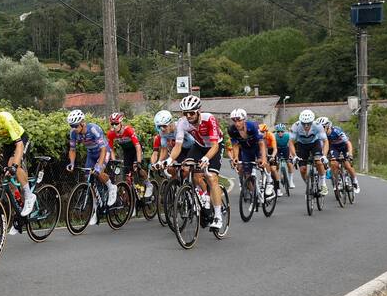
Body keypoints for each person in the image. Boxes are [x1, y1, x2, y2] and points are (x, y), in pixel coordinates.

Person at [165, 95, 226, 230]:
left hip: (215, 146)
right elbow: (178, 146)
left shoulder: (209, 119)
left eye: (191, 112)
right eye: (185, 113)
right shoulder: (182, 123)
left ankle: (218, 216)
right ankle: (204, 197)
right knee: (190, 171)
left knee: (211, 177)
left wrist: (206, 158)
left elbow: (215, 146)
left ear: (198, 111)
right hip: (198, 146)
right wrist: (169, 160)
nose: (188, 116)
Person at [65, 109, 115, 226]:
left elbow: (103, 149)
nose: (73, 128)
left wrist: (98, 166)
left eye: (75, 126)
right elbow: (72, 150)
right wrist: (71, 163)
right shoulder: (73, 133)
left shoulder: (93, 129)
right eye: (71, 126)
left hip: (103, 151)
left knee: (98, 172)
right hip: (91, 155)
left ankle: (111, 187)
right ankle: (96, 206)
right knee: (88, 178)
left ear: (82, 123)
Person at [227, 108, 278, 198]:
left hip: (257, 147)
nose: (237, 123)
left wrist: (263, 158)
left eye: (239, 120)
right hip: (246, 150)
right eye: (234, 121)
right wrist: (235, 157)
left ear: (244, 119)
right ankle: (254, 194)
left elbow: (261, 143)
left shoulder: (252, 126)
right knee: (247, 174)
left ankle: (269, 181)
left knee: (262, 162)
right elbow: (235, 145)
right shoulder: (232, 130)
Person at [107, 111, 150, 199]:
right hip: (127, 152)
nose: (114, 126)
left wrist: (138, 162)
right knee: (127, 175)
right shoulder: (111, 133)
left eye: (116, 124)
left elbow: (137, 146)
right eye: (112, 124)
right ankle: (132, 198)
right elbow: (111, 149)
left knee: (137, 169)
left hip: (136, 149)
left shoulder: (128, 130)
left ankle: (148, 184)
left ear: (121, 123)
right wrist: (114, 161)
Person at [287, 109, 330, 195]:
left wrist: (324, 156)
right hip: (302, 145)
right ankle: (309, 184)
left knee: (318, 162)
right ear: (300, 121)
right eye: (304, 123)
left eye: (309, 123)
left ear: (312, 121)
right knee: (302, 169)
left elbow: (325, 141)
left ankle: (323, 185)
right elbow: (291, 142)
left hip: (315, 143)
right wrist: (294, 156)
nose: (306, 126)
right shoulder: (295, 126)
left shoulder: (317, 126)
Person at [318, 116, 360, 194]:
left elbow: (348, 143)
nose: (321, 130)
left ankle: (355, 181)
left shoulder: (337, 131)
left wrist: (350, 154)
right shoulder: (321, 135)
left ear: (328, 126)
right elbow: (322, 148)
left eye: (323, 127)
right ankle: (338, 180)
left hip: (344, 147)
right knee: (334, 163)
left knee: (347, 165)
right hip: (334, 148)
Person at [274, 123, 295, 189]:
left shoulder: (287, 135)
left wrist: (291, 155)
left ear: (284, 131)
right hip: (278, 149)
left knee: (289, 164)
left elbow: (290, 145)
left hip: (286, 149)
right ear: (276, 132)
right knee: (277, 165)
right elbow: (274, 146)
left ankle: (291, 181)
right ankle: (276, 178)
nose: (280, 133)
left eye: (282, 131)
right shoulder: (274, 136)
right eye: (278, 131)